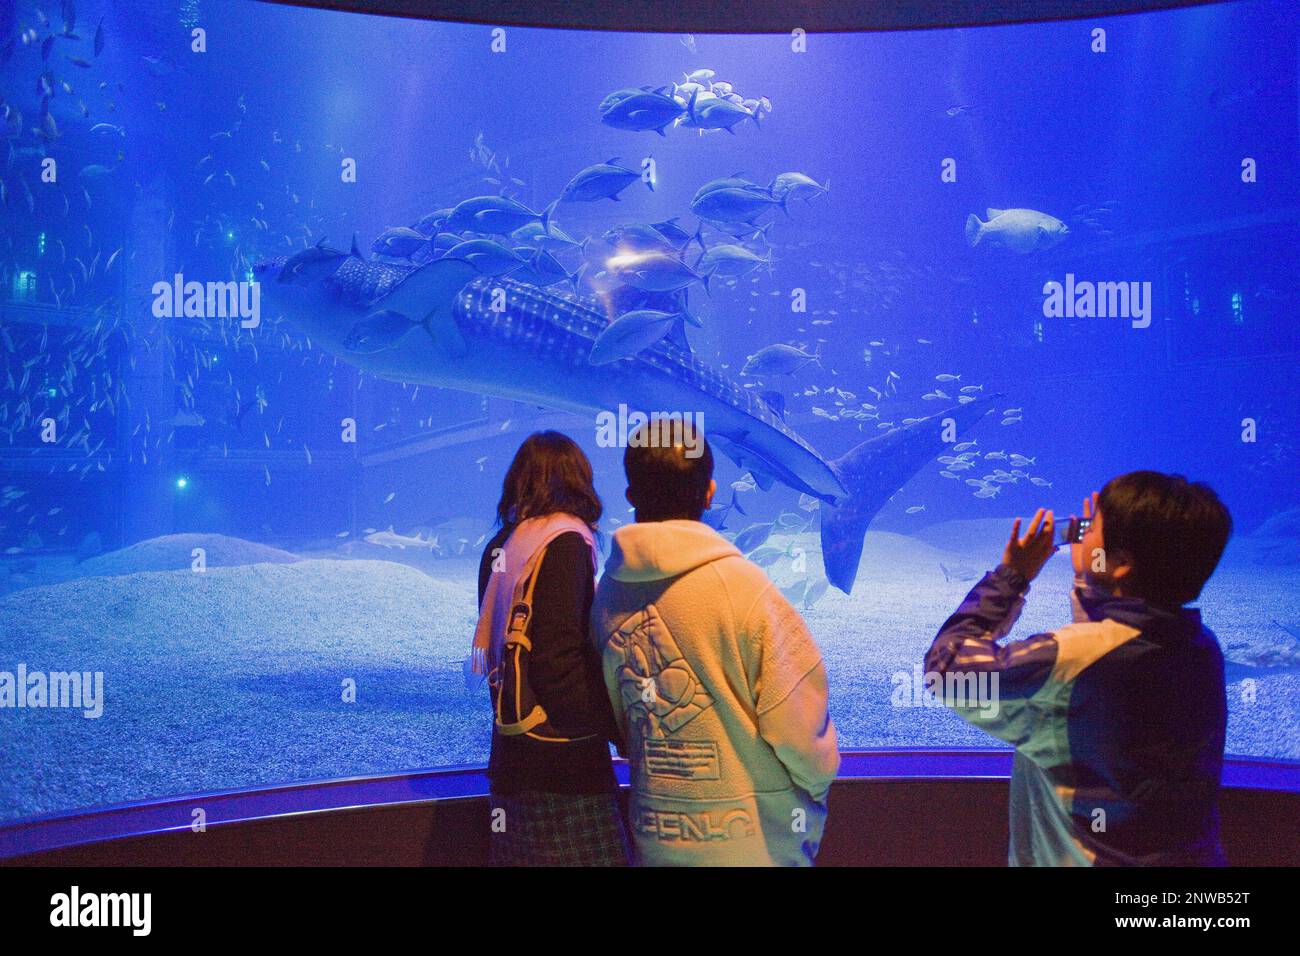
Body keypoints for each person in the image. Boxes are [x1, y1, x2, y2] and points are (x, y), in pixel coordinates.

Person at [924, 470, 1233, 866]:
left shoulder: (1072, 659)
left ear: (1121, 563)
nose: (1080, 534)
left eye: (1092, 530)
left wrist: (1012, 576)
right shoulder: (1200, 647)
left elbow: (946, 671)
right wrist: (1093, 578)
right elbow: (1110, 650)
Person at [591, 419, 840, 866]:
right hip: (755, 843)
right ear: (709, 492)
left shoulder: (605, 595)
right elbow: (803, 741)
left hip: (656, 834)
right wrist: (812, 792)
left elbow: (621, 720)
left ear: (630, 496)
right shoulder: (745, 589)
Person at [471, 431, 629, 866]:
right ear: (577, 481)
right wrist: (616, 730)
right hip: (563, 767)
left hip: (512, 757)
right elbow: (557, 661)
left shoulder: (500, 546)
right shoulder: (564, 542)